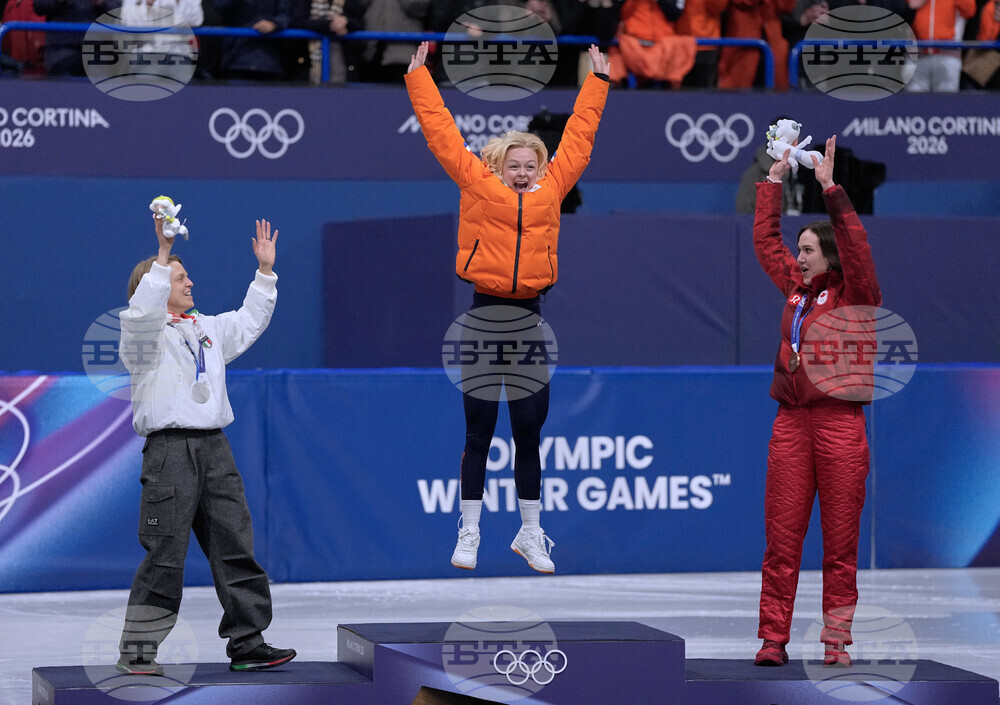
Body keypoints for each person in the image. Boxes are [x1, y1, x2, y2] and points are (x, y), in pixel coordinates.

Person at [404, 41, 609, 574]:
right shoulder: (476, 184)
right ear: (498, 165)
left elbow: (579, 140)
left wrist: (598, 83)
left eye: (530, 164)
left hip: (529, 323)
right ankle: (469, 531)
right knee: (478, 432)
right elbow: (441, 132)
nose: (522, 172)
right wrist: (419, 79)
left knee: (528, 431)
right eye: (514, 164)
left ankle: (531, 532)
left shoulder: (552, 189)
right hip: (482, 319)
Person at [115, 213, 295, 675]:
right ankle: (139, 650)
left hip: (215, 448)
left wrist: (266, 272)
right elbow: (141, 312)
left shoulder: (207, 330)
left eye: (186, 274)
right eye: (180, 277)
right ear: (155, 287)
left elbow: (250, 320)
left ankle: (248, 642)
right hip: (170, 452)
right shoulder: (141, 337)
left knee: (235, 545)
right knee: (165, 554)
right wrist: (160, 253)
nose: (190, 282)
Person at [751, 136, 881, 668]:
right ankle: (772, 641)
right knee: (781, 541)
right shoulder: (796, 290)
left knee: (839, 545)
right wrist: (774, 181)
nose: (796, 257)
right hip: (791, 423)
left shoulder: (857, 293)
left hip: (840, 426)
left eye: (806, 250)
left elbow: (856, 245)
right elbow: (764, 243)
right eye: (798, 250)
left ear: (828, 255)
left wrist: (830, 189)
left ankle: (835, 643)